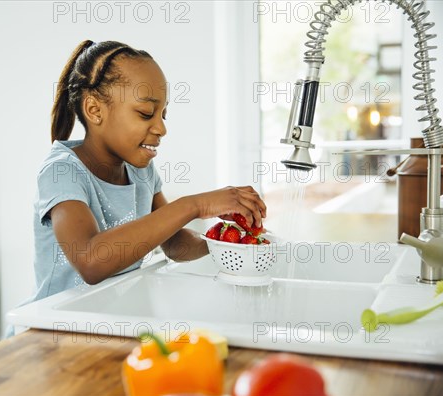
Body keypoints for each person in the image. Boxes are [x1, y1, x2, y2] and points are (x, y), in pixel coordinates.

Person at [31, 39, 267, 304]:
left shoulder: (141, 171)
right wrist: (195, 205)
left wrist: (227, 241)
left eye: (163, 115)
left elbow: (175, 244)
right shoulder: (62, 172)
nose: (161, 128)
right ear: (94, 110)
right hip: (51, 329)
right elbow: (91, 261)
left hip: (106, 323)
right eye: (146, 114)